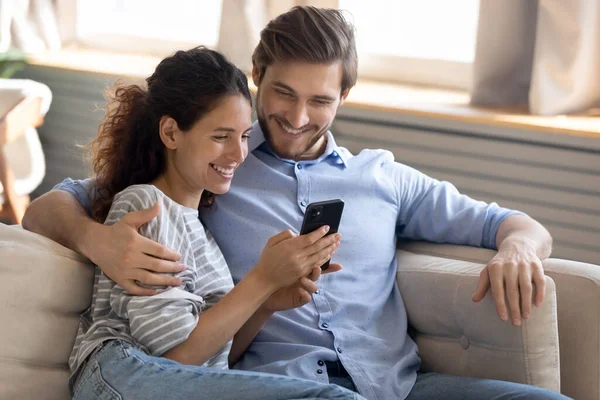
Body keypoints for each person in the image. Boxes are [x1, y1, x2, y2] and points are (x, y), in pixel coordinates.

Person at [23, 6, 569, 400]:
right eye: (283, 92)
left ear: (345, 98)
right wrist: (100, 243)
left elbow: (511, 223)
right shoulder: (214, 163)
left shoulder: (382, 176)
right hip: (274, 383)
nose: (298, 116)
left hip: (394, 385)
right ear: (258, 75)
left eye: (320, 100)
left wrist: (519, 248)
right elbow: (46, 208)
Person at [64, 46, 364, 400]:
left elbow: (213, 356)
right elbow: (175, 356)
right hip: (120, 372)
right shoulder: (145, 205)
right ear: (171, 133)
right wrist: (261, 279)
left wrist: (267, 299)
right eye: (221, 137)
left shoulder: (204, 233)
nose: (238, 154)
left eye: (243, 137)